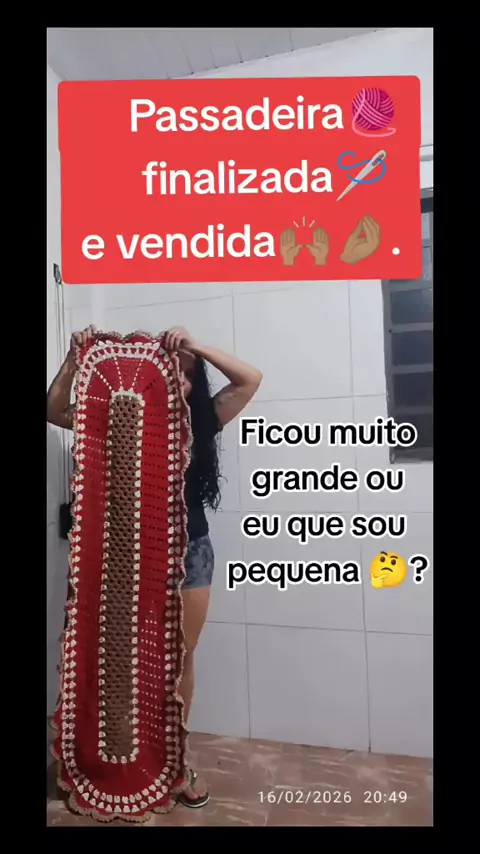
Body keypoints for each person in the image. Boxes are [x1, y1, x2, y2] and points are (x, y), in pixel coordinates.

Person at [46, 324, 262, 809]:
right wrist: (73, 359)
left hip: (188, 554)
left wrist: (195, 346)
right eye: (165, 369)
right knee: (115, 658)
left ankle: (174, 765)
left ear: (193, 382)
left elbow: (250, 379)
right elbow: (54, 409)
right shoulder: (115, 417)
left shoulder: (200, 418)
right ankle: (117, 760)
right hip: (121, 556)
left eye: (183, 372)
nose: (174, 378)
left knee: (177, 660)